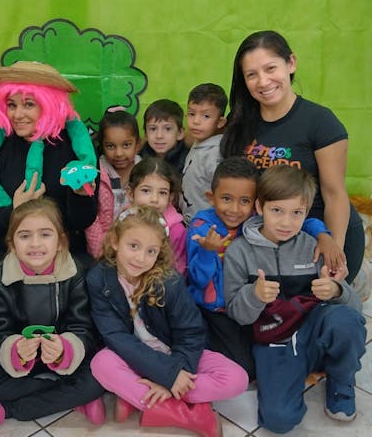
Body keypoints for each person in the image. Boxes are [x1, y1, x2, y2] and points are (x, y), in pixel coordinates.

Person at [223, 165, 365, 433]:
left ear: (307, 213)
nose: (287, 222)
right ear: (259, 207)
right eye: (277, 210)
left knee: (344, 320)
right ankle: (299, 371)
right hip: (275, 342)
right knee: (279, 421)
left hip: (313, 332)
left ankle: (341, 378)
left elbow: (356, 313)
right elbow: (237, 314)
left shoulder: (313, 246)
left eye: (297, 213)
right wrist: (253, 296)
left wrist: (336, 290)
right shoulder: (239, 253)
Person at [86, 206, 247, 436]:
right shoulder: (98, 279)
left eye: (151, 251)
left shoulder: (168, 281)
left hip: (176, 353)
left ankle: (138, 397)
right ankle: (189, 415)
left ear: (159, 253)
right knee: (101, 364)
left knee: (237, 379)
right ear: (114, 241)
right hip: (135, 355)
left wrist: (172, 374)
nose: (141, 258)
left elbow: (191, 333)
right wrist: (167, 375)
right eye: (133, 246)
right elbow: (115, 336)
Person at [220, 30, 362, 283]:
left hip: (317, 237)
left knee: (319, 315)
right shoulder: (239, 122)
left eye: (270, 68)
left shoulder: (321, 122)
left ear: (291, 63)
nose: (263, 82)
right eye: (252, 75)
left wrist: (334, 252)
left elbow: (335, 194)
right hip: (264, 240)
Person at [0, 61, 98, 306]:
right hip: (6, 253)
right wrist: (15, 211)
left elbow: (81, 221)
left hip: (60, 255)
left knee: (95, 277)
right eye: (11, 105)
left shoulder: (71, 148)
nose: (17, 114)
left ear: (49, 105)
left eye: (29, 105)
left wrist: (80, 194)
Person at [0, 198, 105, 437]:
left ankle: (4, 410)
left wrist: (65, 350)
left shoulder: (74, 273)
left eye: (45, 234)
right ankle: (66, 393)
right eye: (24, 236)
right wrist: (16, 350)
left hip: (61, 355)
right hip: (21, 360)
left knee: (99, 378)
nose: (35, 244)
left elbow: (82, 327)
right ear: (12, 244)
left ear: (61, 242)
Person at [85, 110, 141, 258]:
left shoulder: (146, 173)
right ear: (102, 146)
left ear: (138, 145)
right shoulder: (96, 174)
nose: (119, 153)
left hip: (139, 250)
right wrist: (102, 251)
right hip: (103, 251)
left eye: (126, 145)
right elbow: (91, 217)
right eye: (110, 146)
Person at [126, 157, 187, 275]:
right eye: (146, 191)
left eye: (162, 193)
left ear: (170, 197)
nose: (154, 199)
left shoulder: (176, 231)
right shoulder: (125, 220)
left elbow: (177, 271)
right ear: (130, 193)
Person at [179, 84, 228, 225]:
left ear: (220, 122)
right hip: (191, 222)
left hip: (208, 226)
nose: (196, 121)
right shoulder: (199, 143)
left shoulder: (215, 154)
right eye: (192, 114)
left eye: (206, 116)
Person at [139, 99, 189, 175]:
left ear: (180, 133)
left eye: (167, 129)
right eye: (153, 129)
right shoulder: (139, 158)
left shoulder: (188, 159)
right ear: (146, 134)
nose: (159, 136)